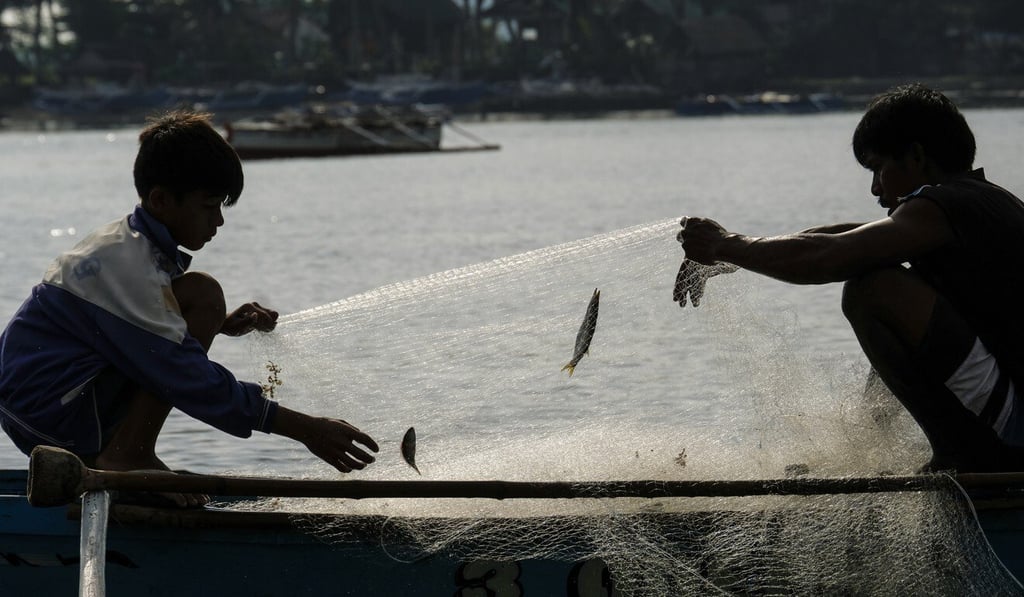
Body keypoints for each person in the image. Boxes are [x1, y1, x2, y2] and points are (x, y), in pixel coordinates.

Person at [0, 111, 378, 506]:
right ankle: (128, 456)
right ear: (162, 200)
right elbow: (188, 378)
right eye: (208, 206)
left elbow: (140, 333)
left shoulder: (129, 242)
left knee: (201, 297)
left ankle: (128, 453)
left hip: (47, 401)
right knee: (203, 299)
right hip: (48, 414)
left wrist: (220, 325)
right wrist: (305, 429)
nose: (218, 221)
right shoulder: (128, 268)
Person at [674, 83, 1024, 473]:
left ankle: (963, 456)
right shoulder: (972, 203)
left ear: (916, 156)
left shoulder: (948, 205)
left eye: (878, 168)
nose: (875, 188)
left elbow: (828, 257)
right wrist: (735, 255)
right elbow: (836, 237)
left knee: (872, 290)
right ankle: (889, 446)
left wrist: (727, 245)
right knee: (884, 286)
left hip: (1017, 428)